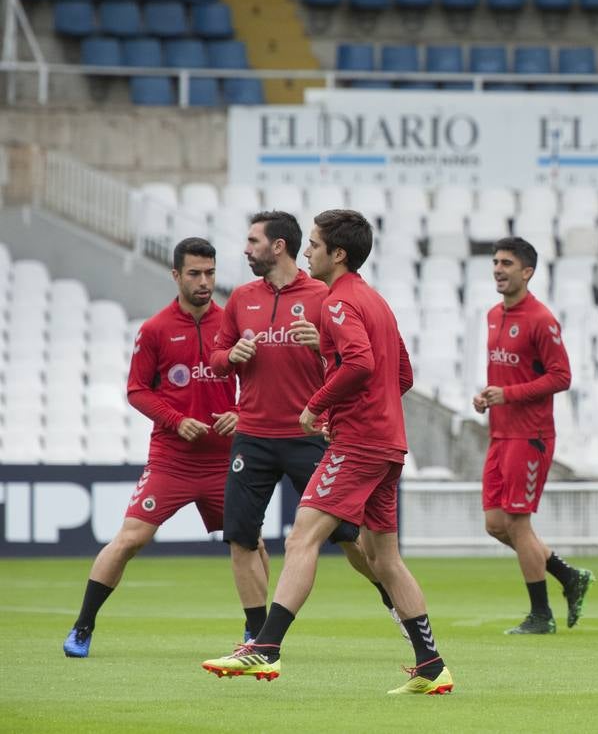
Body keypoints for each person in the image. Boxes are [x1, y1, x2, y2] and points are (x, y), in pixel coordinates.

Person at [203, 210, 452, 695]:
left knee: (301, 539)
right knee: (385, 559)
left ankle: (265, 648)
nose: (308, 251)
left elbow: (359, 362)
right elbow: (402, 375)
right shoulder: (374, 300)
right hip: (388, 444)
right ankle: (431, 665)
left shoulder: (336, 302)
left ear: (337, 254)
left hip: (358, 444)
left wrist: (318, 407)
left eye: (315, 244)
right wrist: (372, 410)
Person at [210, 210, 403, 642]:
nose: (246, 249)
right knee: (241, 537)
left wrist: (321, 356)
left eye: (253, 241)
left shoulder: (326, 296)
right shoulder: (241, 298)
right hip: (254, 433)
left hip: (310, 434)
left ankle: (388, 595)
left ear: (279, 246)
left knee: (348, 538)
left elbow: (356, 362)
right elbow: (216, 359)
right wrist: (231, 356)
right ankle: (257, 634)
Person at [64, 238, 241, 658]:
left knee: (247, 542)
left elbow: (258, 383)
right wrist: (178, 422)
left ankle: (257, 635)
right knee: (129, 539)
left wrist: (242, 414)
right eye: (195, 273)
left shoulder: (232, 324)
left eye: (210, 273)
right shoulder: (156, 329)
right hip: (173, 459)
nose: (204, 282)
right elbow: (137, 391)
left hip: (224, 460)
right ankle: (83, 627)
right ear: (176, 275)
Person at [475, 236, 592, 635]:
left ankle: (540, 615)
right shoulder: (493, 315)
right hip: (500, 433)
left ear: (527, 272)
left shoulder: (541, 319)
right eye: (495, 262)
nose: (498, 269)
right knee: (495, 524)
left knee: (518, 525)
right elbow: (509, 371)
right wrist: (490, 397)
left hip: (530, 436)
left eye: (506, 263)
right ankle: (567, 576)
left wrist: (508, 394)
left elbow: (562, 376)